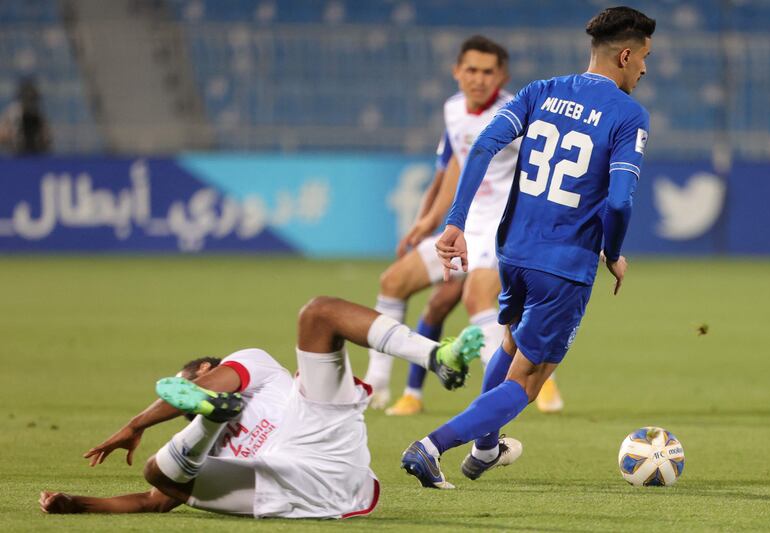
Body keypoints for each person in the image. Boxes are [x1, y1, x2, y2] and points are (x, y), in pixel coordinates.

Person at [401, 6, 655, 488]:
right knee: (531, 378)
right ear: (625, 54)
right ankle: (431, 446)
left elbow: (481, 147)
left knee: (512, 341)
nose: (645, 68)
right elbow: (620, 202)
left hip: (512, 250)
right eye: (644, 57)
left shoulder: (540, 91)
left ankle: (485, 447)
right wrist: (613, 251)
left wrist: (454, 223)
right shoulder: (629, 115)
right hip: (563, 264)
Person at [39, 296, 486, 518]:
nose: (178, 397)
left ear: (209, 366)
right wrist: (78, 504)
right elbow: (155, 500)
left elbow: (220, 381)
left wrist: (136, 424)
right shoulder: (203, 454)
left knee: (318, 313)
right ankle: (213, 418)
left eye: (187, 383)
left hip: (318, 436)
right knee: (158, 472)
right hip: (279, 484)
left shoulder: (250, 364)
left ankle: (435, 357)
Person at [364, 35, 564, 417]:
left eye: (488, 72)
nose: (479, 79)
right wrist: (428, 220)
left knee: (476, 297)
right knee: (393, 282)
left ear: (502, 75)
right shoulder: (453, 110)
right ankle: (377, 385)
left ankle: (510, 389)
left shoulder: (518, 113)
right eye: (471, 70)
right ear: (457, 72)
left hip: (503, 229)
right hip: (463, 226)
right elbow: (456, 165)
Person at [0, 78, 52, 155]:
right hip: (14, 155)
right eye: (27, 98)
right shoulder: (12, 113)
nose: (29, 102)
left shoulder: (38, 114)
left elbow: (47, 139)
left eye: (32, 99)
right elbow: (2, 136)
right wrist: (14, 136)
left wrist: (40, 139)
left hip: (34, 155)